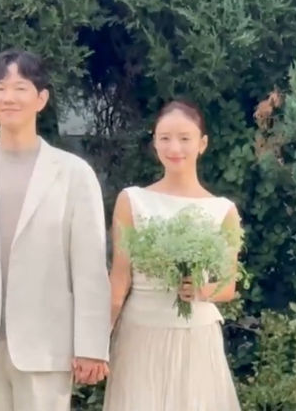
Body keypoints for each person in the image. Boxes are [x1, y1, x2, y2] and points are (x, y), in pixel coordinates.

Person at [0, 49, 110, 411]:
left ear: (41, 99)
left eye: (20, 88)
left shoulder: (73, 175)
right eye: (0, 88)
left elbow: (90, 268)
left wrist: (91, 346)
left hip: (45, 350)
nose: (8, 98)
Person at [104, 99, 242, 410]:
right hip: (141, 332)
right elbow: (120, 279)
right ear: (154, 142)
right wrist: (98, 342)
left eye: (184, 138)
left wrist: (200, 289)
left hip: (197, 337)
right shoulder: (132, 200)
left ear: (202, 144)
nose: (174, 147)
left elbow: (228, 285)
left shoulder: (223, 210)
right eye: (164, 138)